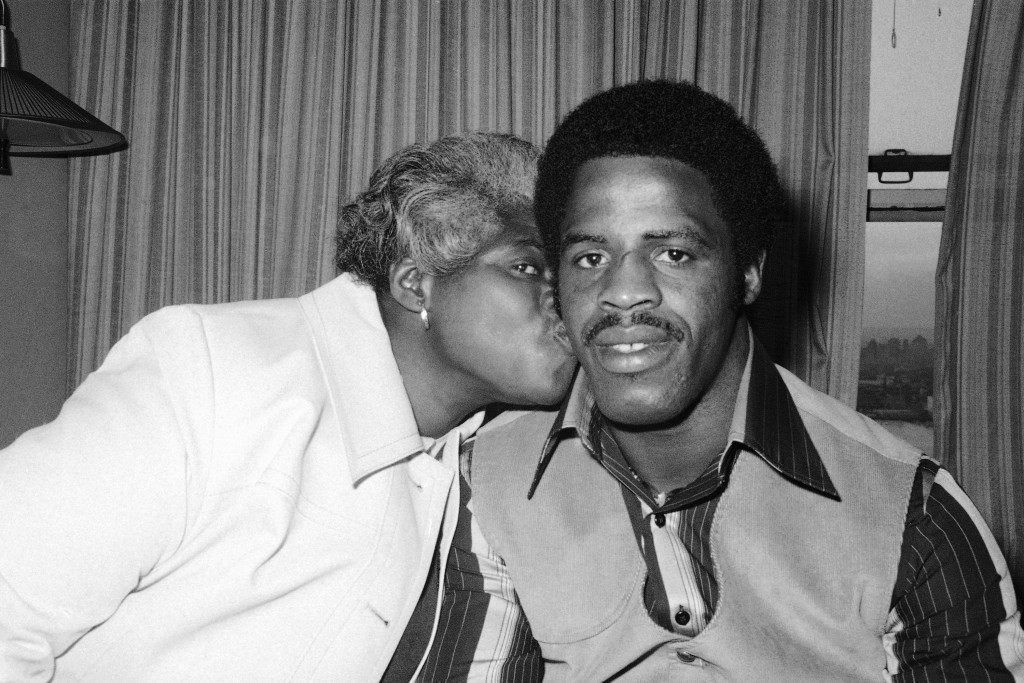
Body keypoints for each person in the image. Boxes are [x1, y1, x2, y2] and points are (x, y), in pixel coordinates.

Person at [468, 80, 1024, 679]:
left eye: (673, 254)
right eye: (590, 258)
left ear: (750, 273)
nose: (624, 291)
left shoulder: (916, 518)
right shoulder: (475, 488)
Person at [0, 132, 574, 680]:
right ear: (414, 284)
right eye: (526, 267)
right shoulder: (210, 371)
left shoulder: (490, 453)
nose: (566, 299)